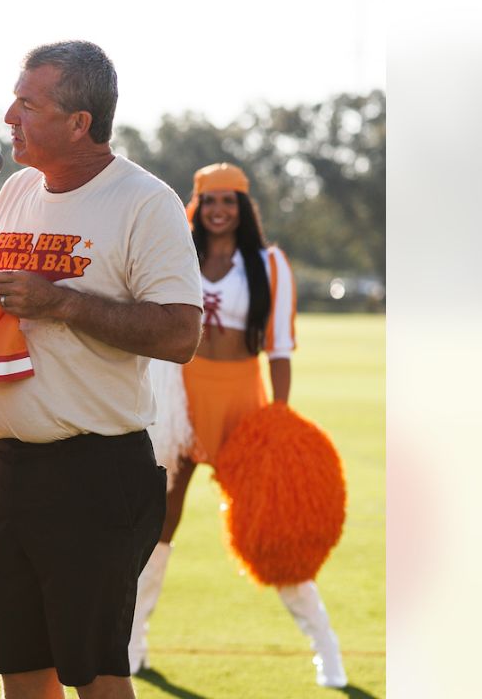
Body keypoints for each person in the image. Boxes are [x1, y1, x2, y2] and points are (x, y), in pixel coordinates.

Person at [0, 40, 203, 699]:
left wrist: (61, 302)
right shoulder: (17, 191)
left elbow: (180, 333)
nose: (7, 117)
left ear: (79, 123)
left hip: (96, 471)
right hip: (6, 467)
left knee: (97, 675)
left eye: (28, 104)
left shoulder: (144, 201)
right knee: (19, 673)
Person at [129, 163, 348, 688]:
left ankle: (326, 649)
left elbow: (280, 348)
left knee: (274, 526)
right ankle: (132, 643)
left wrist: (280, 415)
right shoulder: (177, 252)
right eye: (209, 201)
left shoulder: (269, 264)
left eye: (229, 200)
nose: (219, 210)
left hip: (243, 408)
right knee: (157, 526)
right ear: (197, 206)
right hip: (178, 398)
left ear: (244, 208)